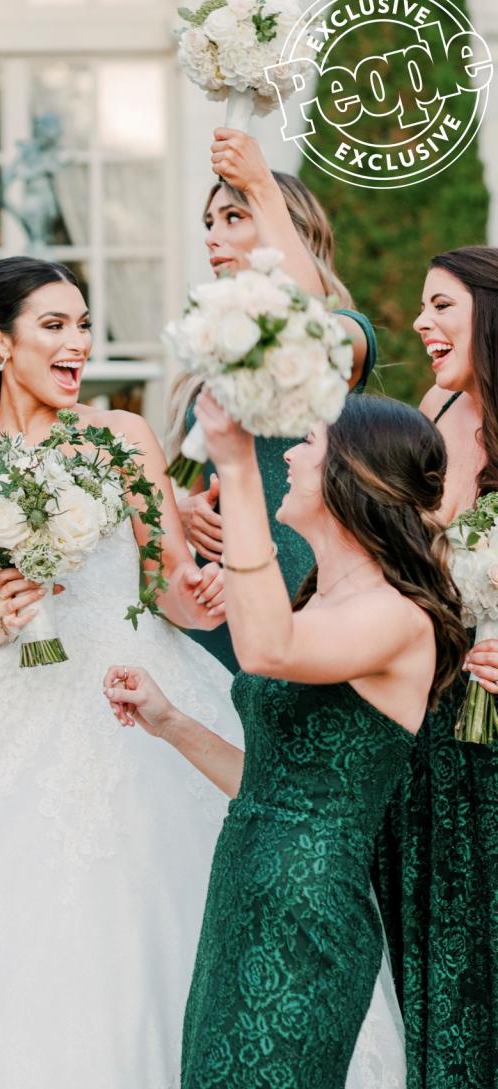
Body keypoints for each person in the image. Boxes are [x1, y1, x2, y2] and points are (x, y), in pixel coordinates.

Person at [0, 257, 403, 1089]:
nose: (78, 343)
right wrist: (7, 615)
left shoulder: (122, 435)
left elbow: (167, 578)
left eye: (84, 324)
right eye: (54, 325)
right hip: (3, 696)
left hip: (134, 687)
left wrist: (199, 597)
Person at [105, 390, 466, 1088]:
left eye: (307, 444)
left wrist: (238, 467)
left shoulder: (400, 617)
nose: (290, 456)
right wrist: (171, 721)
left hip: (308, 906)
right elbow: (274, 788)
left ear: (353, 476)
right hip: (243, 882)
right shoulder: (317, 599)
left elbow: (266, 647)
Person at [170, 129, 379, 671]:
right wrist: (185, 511)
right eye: (210, 223)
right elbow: (197, 482)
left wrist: (260, 182)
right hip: (215, 592)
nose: (214, 237)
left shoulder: (345, 334)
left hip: (298, 583)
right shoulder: (211, 349)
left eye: (234, 217)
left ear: (291, 230)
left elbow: (307, 327)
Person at [374, 245, 498, 1088]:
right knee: (430, 933)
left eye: (441, 305)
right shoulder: (434, 405)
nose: (422, 323)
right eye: (422, 306)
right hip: (428, 718)